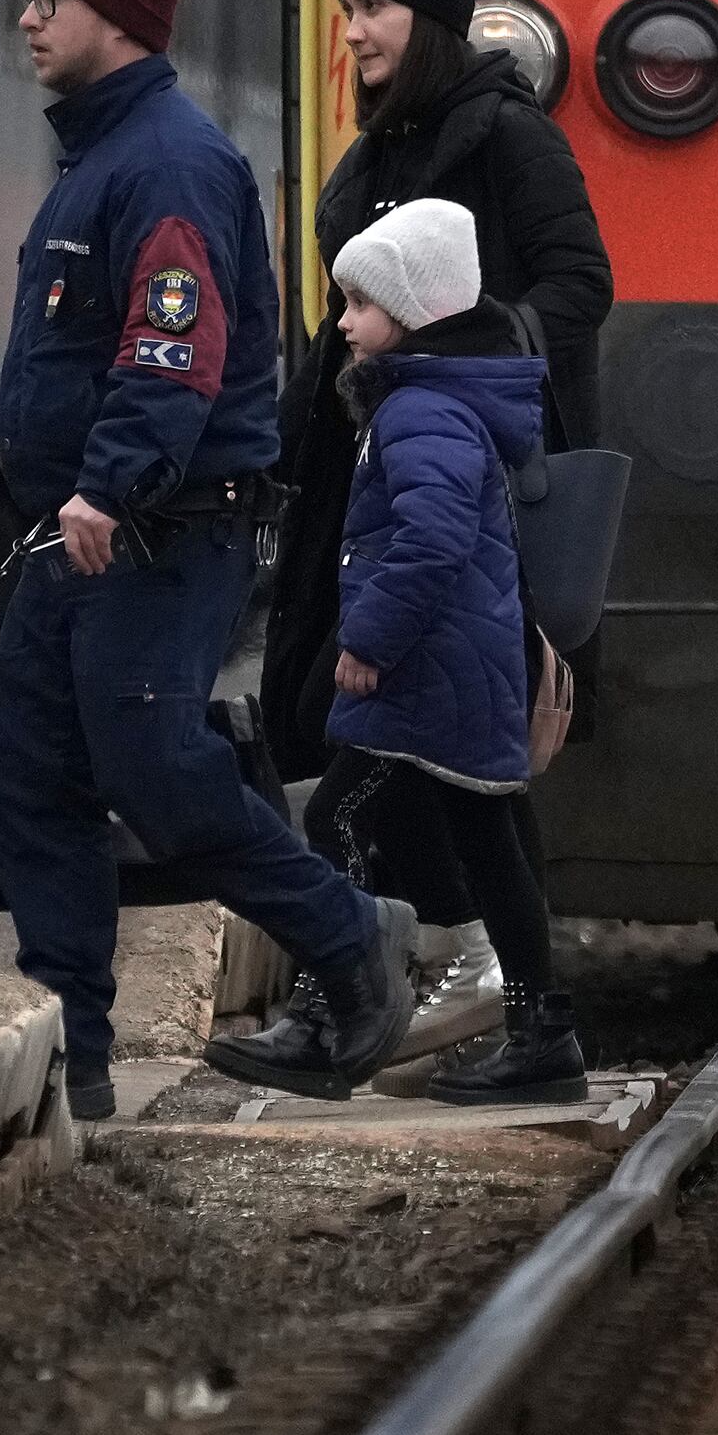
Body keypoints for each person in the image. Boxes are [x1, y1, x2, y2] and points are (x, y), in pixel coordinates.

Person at [0, 0, 407, 1120]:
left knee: (158, 774)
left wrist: (109, 485)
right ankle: (76, 1050)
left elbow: (170, 349)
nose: (27, 19)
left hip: (153, 532)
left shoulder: (162, 164)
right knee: (26, 784)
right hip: (80, 536)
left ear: (113, 17)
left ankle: (349, 932)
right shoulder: (109, 156)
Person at [260, 0, 611, 1052]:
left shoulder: (511, 138)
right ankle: (494, 1000)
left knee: (391, 756)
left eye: (372, 6)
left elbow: (578, 284)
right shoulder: (381, 150)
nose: (352, 30)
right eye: (348, 6)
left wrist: (452, 346)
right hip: (369, 476)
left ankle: (384, 997)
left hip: (461, 495)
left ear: (431, 17)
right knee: (449, 779)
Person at [233, 197, 584, 1105]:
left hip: (422, 672)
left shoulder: (421, 410)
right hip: (458, 671)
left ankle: (332, 1012)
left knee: (336, 823)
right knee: (491, 844)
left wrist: (367, 641)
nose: (342, 322)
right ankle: (543, 1031)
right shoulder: (438, 401)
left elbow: (428, 542)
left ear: (416, 311)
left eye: (359, 304)